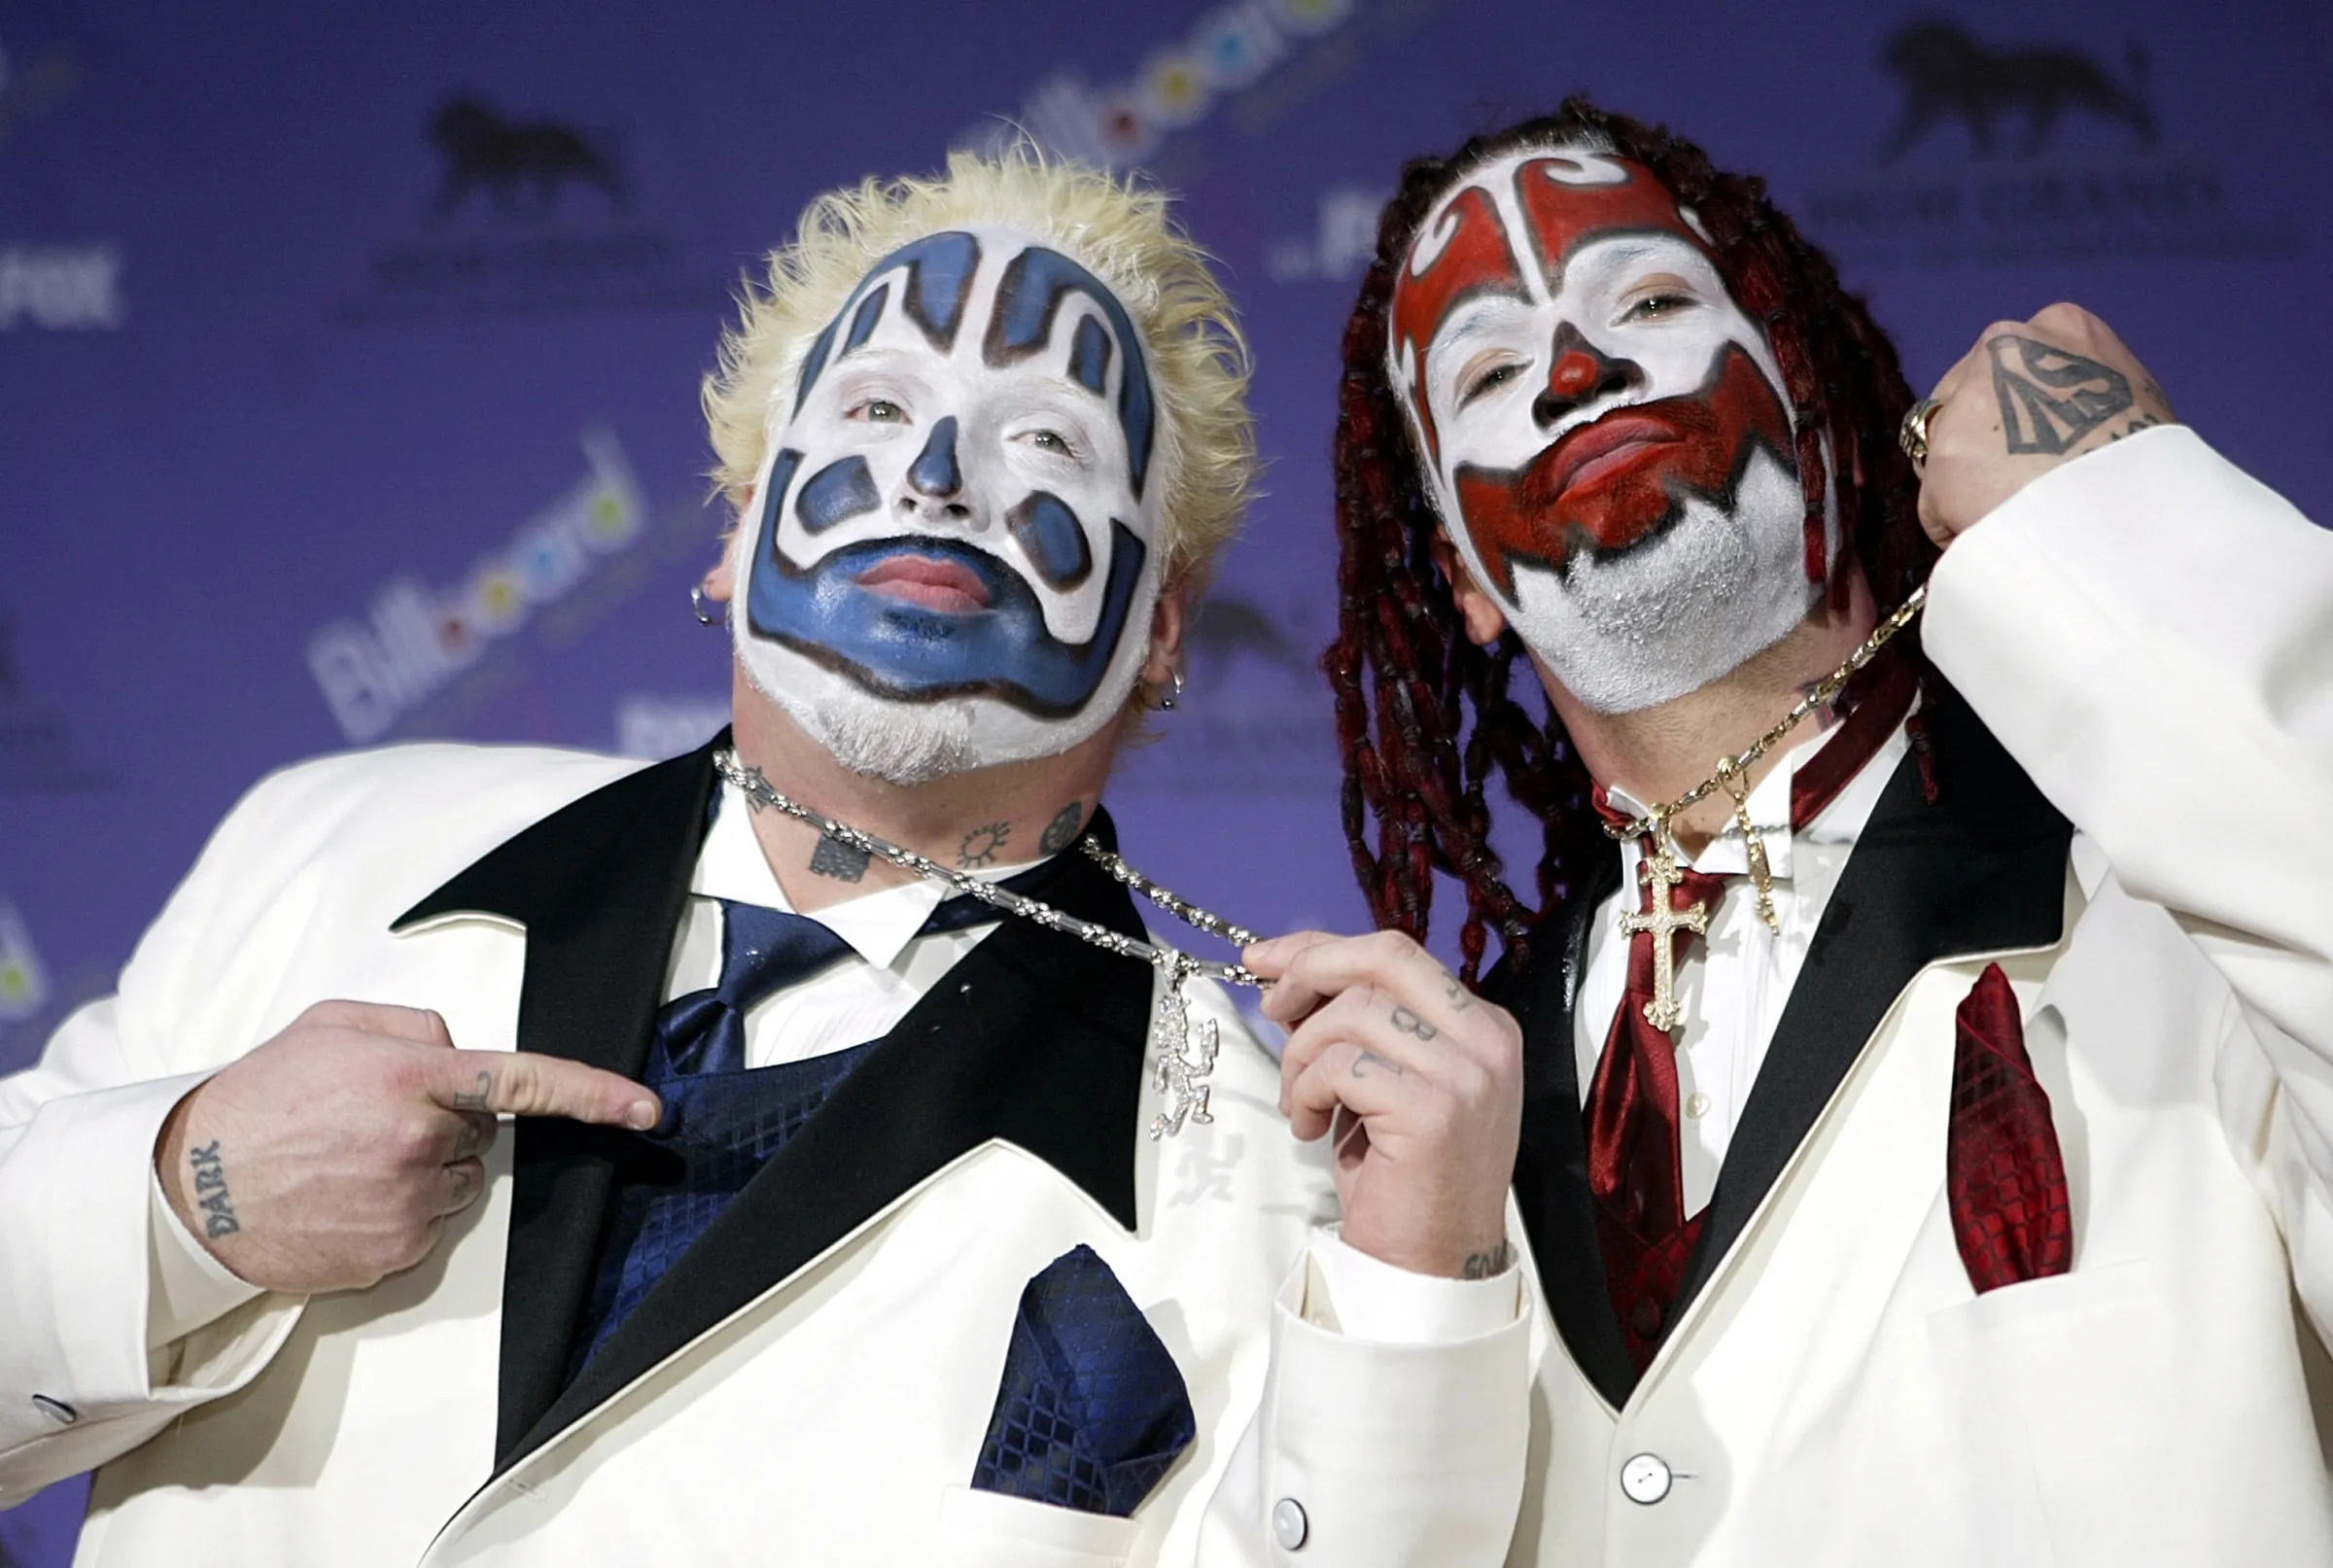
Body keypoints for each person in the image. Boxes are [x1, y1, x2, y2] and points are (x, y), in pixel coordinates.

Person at [0, 149, 1500, 1567]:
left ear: (1164, 626)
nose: (935, 471)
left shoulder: (1271, 1188)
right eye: (871, 407)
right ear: (732, 531)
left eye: (1045, 438)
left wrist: (1417, 1297)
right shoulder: (326, 846)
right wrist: (181, 1197)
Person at [1245, 97, 2333, 1563]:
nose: (1577, 371)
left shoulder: (2165, 909)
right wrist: (1413, 1303)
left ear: (1813, 398)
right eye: (1494, 366)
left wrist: (2121, 522)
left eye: (1644, 298)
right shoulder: (1417, 1140)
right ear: (1463, 579)